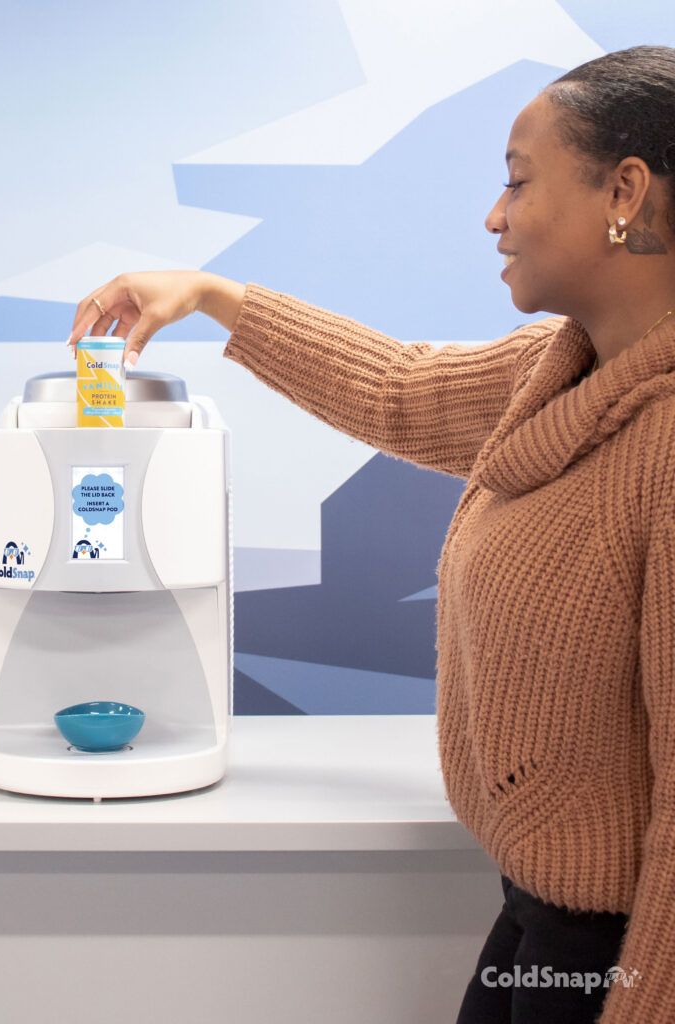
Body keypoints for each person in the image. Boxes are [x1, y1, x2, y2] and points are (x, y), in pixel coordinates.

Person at [67, 45, 675, 1024]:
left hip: (618, 955)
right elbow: (399, 388)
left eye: (518, 182)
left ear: (624, 192)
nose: (494, 216)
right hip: (536, 916)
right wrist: (211, 296)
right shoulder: (557, 367)